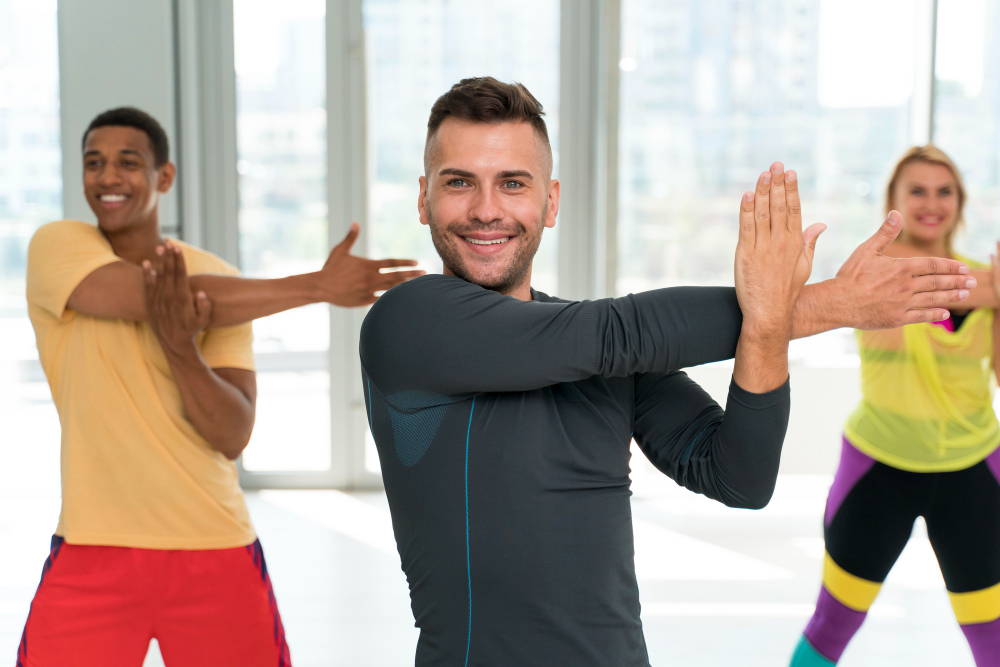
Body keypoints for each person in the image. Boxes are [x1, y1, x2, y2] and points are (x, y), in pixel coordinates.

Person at [359, 77, 976, 666]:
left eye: (513, 183)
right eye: (460, 182)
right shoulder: (409, 323)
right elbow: (618, 332)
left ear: (550, 202)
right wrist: (827, 303)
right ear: (424, 199)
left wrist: (768, 326)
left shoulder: (599, 355)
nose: (486, 209)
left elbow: (738, 477)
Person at [16, 107, 423, 667]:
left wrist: (182, 349)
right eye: (94, 163)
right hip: (92, 546)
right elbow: (149, 295)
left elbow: (231, 434)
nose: (108, 177)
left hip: (213, 544)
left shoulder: (223, 281)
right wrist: (316, 286)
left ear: (164, 178)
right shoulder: (58, 247)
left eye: (127, 162)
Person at [790, 146, 1000, 666]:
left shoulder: (986, 281)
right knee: (831, 627)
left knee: (993, 639)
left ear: (960, 202)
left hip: (973, 470)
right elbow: (919, 292)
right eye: (918, 191)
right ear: (894, 203)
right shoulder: (874, 279)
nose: (932, 203)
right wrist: (991, 290)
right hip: (878, 471)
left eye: (944, 191)